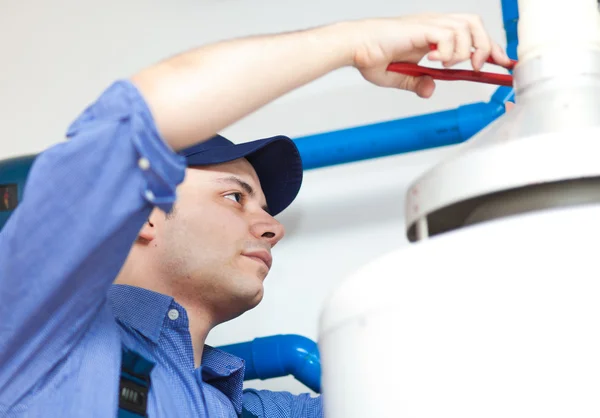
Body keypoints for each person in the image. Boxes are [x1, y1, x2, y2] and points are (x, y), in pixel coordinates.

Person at [0, 13, 512, 418]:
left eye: (264, 207)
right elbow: (134, 120)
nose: (273, 227)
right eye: (234, 197)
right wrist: (354, 43)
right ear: (144, 214)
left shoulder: (241, 407)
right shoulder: (37, 325)